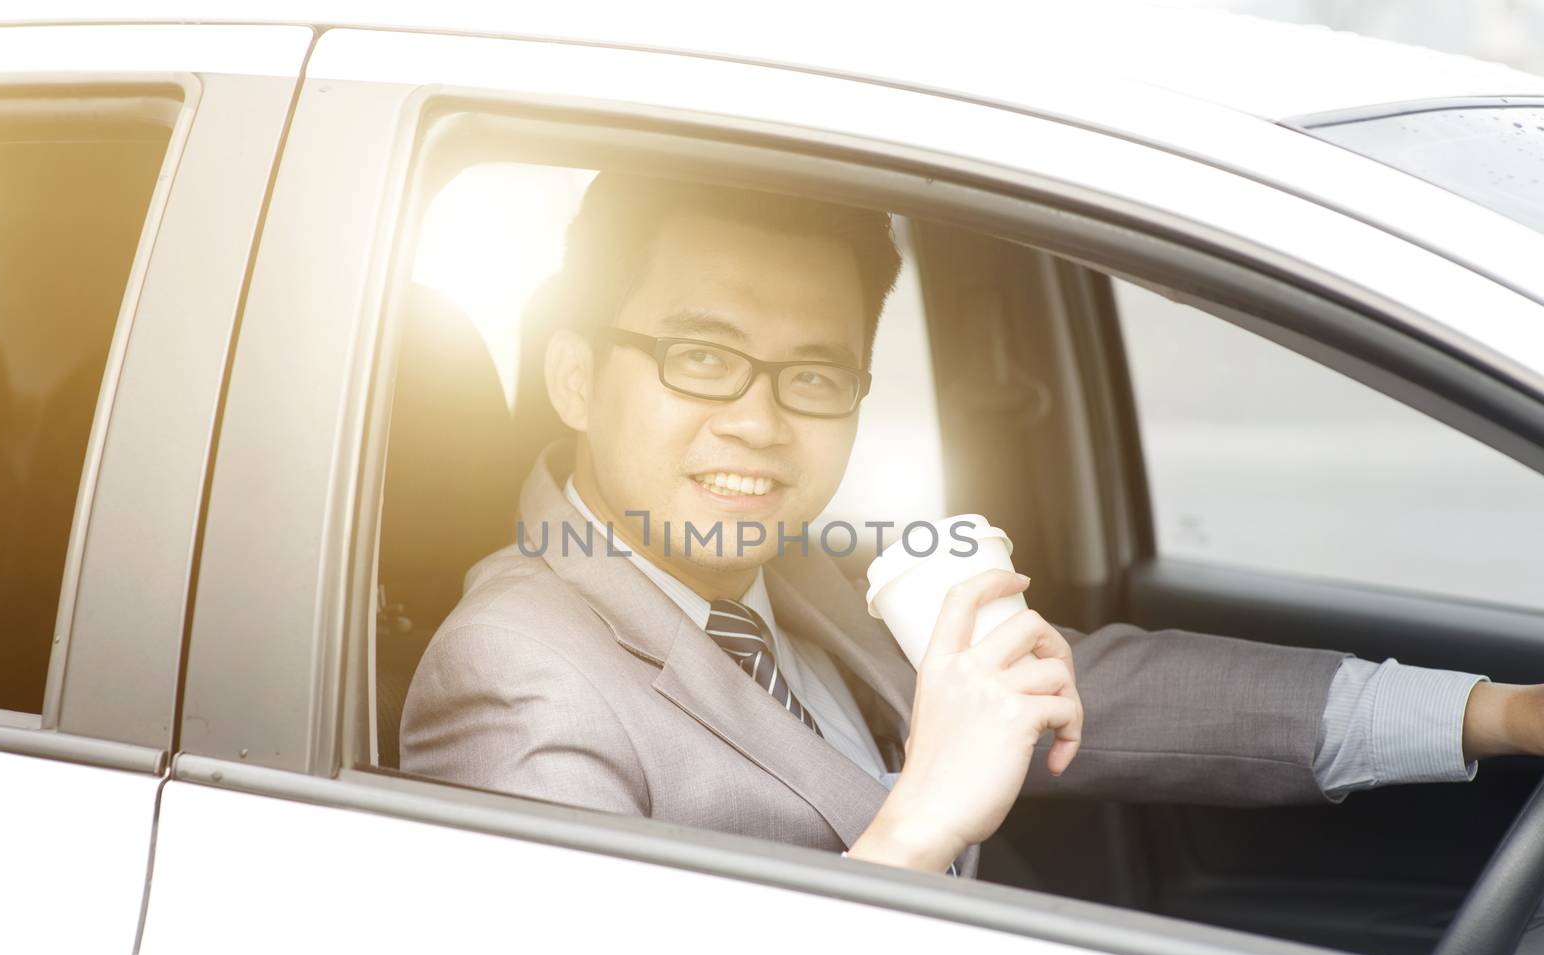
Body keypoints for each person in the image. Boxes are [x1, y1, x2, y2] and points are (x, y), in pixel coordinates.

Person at [401, 174, 1544, 876]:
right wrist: (918, 827)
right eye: (701, 359)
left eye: (814, 375)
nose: (757, 422)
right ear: (574, 379)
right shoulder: (512, 672)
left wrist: (1490, 714)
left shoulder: (785, 578)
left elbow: (1097, 692)